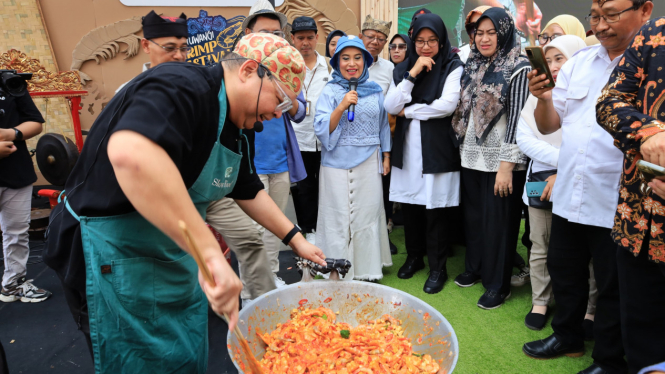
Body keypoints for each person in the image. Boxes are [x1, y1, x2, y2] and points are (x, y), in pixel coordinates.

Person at [43, 33, 326, 373]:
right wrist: (210, 254)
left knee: (184, 355)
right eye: (279, 101)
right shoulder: (181, 85)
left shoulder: (238, 125)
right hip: (113, 252)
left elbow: (245, 187)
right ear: (250, 70)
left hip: (170, 252)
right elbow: (132, 155)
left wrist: (296, 240)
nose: (277, 115)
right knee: (140, 361)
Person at [522, 1, 653, 373]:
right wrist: (543, 98)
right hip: (570, 192)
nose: (602, 25)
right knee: (566, 270)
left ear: (644, 11)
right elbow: (550, 126)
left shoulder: (651, 65)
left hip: (617, 197)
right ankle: (567, 336)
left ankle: (608, 359)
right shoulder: (580, 63)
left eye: (612, 15)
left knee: (612, 284)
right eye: (595, 17)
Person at [597, 13, 665, 374]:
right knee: (644, 346)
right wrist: (649, 131)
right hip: (638, 221)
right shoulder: (655, 35)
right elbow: (609, 101)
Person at [451, 7, 531, 309]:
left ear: (505, 32)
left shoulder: (519, 66)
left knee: (500, 222)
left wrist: (507, 166)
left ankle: (498, 285)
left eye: (491, 32)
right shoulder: (472, 64)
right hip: (471, 155)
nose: (483, 38)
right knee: (474, 219)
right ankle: (476, 268)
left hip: (501, 160)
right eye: (479, 32)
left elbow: (518, 120)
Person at [385, 14, 464, 294]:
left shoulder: (453, 66)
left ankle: (437, 268)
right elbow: (391, 105)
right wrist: (413, 73)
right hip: (408, 150)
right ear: (412, 40)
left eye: (432, 41)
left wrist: (410, 111)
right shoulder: (403, 68)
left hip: (437, 149)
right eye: (420, 41)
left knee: (436, 212)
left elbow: (446, 105)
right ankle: (414, 257)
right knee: (411, 208)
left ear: (442, 40)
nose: (426, 46)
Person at [516, 34, 587, 330]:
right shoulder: (537, 94)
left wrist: (567, 169)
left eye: (561, 58)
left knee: (587, 251)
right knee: (539, 244)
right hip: (539, 181)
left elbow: (592, 142)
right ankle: (540, 301)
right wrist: (566, 161)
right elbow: (525, 138)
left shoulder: (587, 95)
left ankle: (590, 310)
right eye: (550, 58)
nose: (554, 65)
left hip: (583, 181)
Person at [314, 35, 392, 281]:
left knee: (367, 213)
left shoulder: (376, 90)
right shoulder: (329, 90)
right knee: (335, 214)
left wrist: (386, 156)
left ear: (365, 61)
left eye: (357, 58)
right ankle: (333, 267)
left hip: (369, 160)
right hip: (335, 162)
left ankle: (367, 267)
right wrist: (341, 105)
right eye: (345, 58)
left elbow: (383, 127)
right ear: (337, 62)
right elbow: (320, 128)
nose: (352, 63)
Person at [243, 3, 307, 289]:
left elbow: (300, 112)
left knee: (274, 227)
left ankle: (268, 281)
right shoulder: (238, 71)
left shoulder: (287, 67)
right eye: (264, 32)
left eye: (277, 33)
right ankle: (250, 287)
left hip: (279, 161)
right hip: (249, 165)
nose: (272, 39)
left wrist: (287, 95)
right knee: (252, 231)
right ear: (248, 35)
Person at [0, 80, 51, 303]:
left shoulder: (9, 82)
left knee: (17, 233)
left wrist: (12, 133)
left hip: (15, 172)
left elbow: (36, 122)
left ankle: (13, 285)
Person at [290, 17, 329, 246]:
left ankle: (326, 227)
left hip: (325, 138)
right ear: (292, 39)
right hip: (298, 137)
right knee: (303, 187)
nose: (305, 42)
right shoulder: (287, 66)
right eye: (300, 38)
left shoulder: (330, 66)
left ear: (317, 38)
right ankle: (309, 228)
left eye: (310, 37)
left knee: (326, 185)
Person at [116, 11, 189, 93]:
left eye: (183, 48)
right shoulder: (128, 92)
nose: (179, 56)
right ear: (146, 45)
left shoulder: (197, 85)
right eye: (170, 48)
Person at [359, 15, 395, 95]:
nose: (375, 42)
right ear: (360, 37)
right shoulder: (346, 64)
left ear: (385, 43)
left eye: (380, 39)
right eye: (370, 37)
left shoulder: (389, 67)